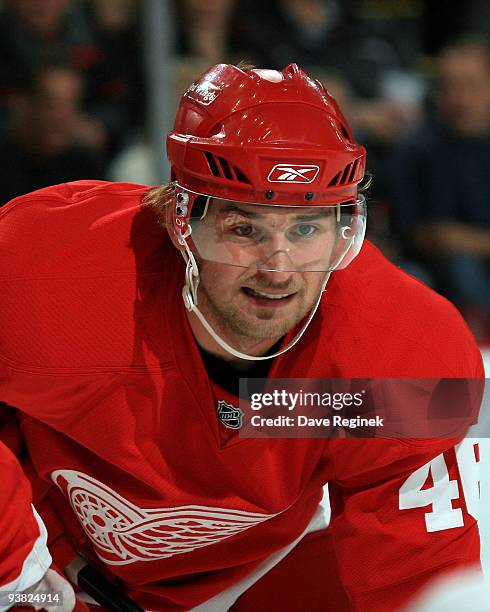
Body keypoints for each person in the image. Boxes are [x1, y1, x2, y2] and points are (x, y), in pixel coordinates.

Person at [0, 63, 484, 611]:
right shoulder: (44, 273)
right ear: (180, 221)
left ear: (345, 226)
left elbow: (422, 572)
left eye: (307, 228)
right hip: (49, 556)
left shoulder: (404, 350)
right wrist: (17, 558)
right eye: (244, 228)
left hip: (253, 570)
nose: (279, 270)